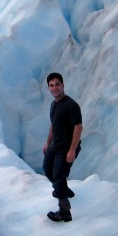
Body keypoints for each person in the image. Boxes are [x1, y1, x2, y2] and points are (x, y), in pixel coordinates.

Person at [42, 72, 82, 222]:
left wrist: (72, 149)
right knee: (47, 170)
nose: (54, 88)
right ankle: (63, 190)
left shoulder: (71, 105)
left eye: (57, 84)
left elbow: (78, 128)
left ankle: (65, 212)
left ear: (63, 85)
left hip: (66, 148)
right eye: (51, 85)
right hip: (55, 145)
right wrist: (47, 143)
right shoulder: (54, 104)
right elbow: (54, 125)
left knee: (58, 177)